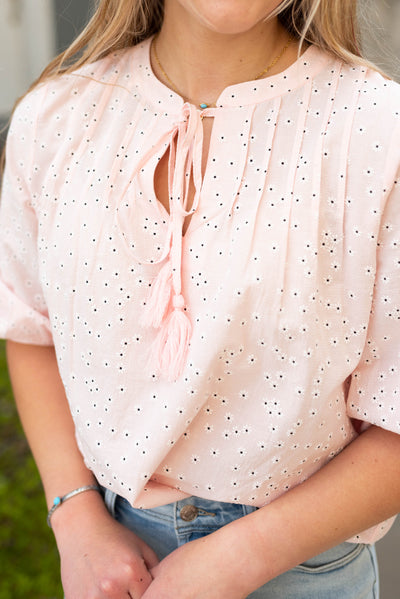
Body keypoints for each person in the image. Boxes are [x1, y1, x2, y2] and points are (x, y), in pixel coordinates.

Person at [1, 0, 400, 597]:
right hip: (108, 560)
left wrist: (244, 556)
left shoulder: (378, 133)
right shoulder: (55, 118)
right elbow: (31, 328)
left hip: (303, 568)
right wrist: (75, 515)